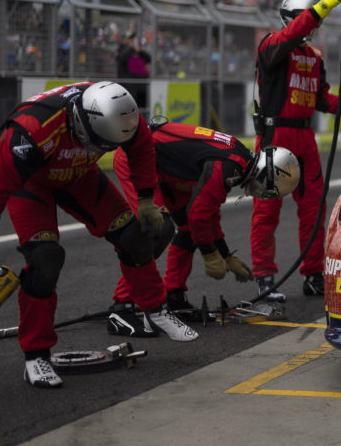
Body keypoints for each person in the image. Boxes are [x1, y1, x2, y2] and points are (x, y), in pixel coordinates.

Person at [0, 81, 190, 388]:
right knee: (45, 260)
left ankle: (156, 310)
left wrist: (147, 198)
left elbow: (141, 148)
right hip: (31, 183)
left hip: (79, 175)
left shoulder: (122, 112)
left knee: (135, 237)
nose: (100, 151)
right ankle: (36, 356)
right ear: (81, 123)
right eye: (98, 144)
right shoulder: (29, 133)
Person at [251, 0, 341, 302]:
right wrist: (327, 4)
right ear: (292, 17)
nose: (314, 27)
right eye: (310, 18)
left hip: (306, 137)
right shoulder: (271, 46)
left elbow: (322, 100)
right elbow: (290, 36)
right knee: (267, 211)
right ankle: (265, 277)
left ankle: (313, 273)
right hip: (275, 134)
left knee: (313, 211)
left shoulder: (316, 58)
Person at [110, 119, 299, 316]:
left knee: (185, 231)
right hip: (138, 159)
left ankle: (173, 294)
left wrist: (226, 255)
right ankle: (124, 301)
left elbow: (209, 212)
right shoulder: (230, 166)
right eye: (269, 191)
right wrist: (210, 255)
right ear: (267, 175)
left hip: (162, 167)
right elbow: (199, 216)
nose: (264, 195)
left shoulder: (239, 160)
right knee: (157, 230)